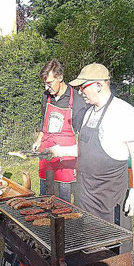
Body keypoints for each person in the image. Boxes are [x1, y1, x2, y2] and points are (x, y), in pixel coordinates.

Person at [48, 63, 134, 266]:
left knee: (122, 241)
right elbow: (85, 149)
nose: (80, 92)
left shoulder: (124, 112)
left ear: (99, 85)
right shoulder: (91, 112)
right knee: (87, 233)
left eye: (84, 87)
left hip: (112, 191)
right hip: (87, 189)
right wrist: (62, 151)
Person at [32, 59, 88, 202]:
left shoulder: (77, 99)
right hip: (46, 152)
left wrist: (79, 161)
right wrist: (39, 139)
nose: (46, 87)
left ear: (60, 77)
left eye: (49, 83)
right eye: (44, 83)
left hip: (66, 157)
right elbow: (43, 121)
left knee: (63, 199)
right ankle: (44, 222)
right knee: (44, 194)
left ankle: (66, 224)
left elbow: (83, 135)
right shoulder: (46, 96)